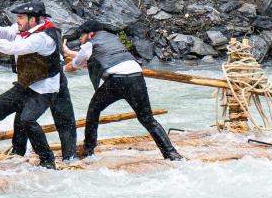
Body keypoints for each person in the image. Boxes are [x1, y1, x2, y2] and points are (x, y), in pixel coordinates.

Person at [0, 1, 62, 169]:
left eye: (21, 17)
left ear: (33, 20)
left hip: (44, 91)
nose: (17, 21)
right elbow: (9, 33)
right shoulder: (26, 27)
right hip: (24, 86)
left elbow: (14, 47)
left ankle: (47, 160)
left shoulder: (43, 38)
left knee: (27, 120)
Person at [64, 20, 183, 161]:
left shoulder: (89, 44)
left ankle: (88, 151)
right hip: (136, 77)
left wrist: (60, 69)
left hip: (117, 81)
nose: (80, 39)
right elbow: (88, 58)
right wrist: (68, 52)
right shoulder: (114, 38)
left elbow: (76, 65)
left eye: (81, 36)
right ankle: (171, 154)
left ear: (90, 34)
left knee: (93, 110)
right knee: (147, 118)